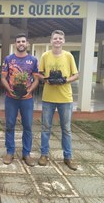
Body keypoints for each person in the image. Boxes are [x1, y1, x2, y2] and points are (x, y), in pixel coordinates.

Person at [38, 30, 79, 170]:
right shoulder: (45, 55)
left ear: (63, 41)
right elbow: (40, 73)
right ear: (51, 41)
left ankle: (68, 157)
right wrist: (45, 80)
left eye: (60, 38)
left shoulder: (68, 56)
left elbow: (76, 75)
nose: (57, 40)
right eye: (55, 38)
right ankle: (44, 154)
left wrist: (65, 80)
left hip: (65, 98)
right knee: (45, 128)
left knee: (66, 129)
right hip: (48, 98)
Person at [1, 33, 39, 167]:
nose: (21, 43)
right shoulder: (9, 59)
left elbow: (36, 79)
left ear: (27, 43)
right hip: (11, 98)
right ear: (15, 44)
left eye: (23, 41)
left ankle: (26, 153)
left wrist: (30, 90)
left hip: (27, 99)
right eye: (18, 41)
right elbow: (3, 78)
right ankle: (10, 152)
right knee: (10, 125)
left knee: (27, 126)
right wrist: (9, 89)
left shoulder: (33, 60)